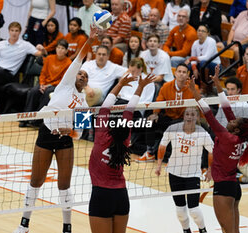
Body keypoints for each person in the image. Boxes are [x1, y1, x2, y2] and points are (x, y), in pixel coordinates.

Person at [14, 26, 98, 233]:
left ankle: (67, 227)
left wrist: (66, 131)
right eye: (79, 73)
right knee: (36, 181)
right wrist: (92, 38)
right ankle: (24, 224)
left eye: (85, 75)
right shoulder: (65, 84)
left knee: (64, 185)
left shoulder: (84, 106)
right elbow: (79, 58)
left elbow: (79, 133)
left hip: (64, 141)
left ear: (87, 81)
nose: (81, 75)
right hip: (45, 133)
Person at [188, 65, 248, 233]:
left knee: (229, 231)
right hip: (233, 187)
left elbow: (208, 113)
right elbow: (226, 107)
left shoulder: (227, 137)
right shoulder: (238, 136)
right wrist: (218, 83)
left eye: (234, 121)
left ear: (237, 128)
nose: (231, 120)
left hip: (224, 188)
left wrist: (194, 92)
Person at [88, 70, 155, 233]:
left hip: (101, 196)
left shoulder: (101, 136)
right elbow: (129, 111)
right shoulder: (124, 141)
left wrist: (119, 84)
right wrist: (140, 87)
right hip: (121, 196)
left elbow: (105, 107)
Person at [155, 107, 213, 233]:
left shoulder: (202, 133)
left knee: (194, 209)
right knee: (180, 210)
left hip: (193, 175)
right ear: (184, 116)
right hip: (174, 173)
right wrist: (159, 164)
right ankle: (186, 230)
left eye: (193, 114)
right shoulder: (173, 129)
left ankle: (203, 230)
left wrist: (209, 170)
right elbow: (162, 146)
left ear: (197, 117)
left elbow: (212, 152)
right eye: (187, 114)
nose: (190, 117)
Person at [19, 39, 72, 127]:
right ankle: (26, 118)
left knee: (47, 93)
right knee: (33, 91)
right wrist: (42, 84)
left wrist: (49, 85)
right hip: (44, 84)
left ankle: (38, 120)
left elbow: (63, 80)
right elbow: (43, 73)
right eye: (58, 47)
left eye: (62, 48)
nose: (60, 50)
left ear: (66, 51)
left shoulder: (68, 63)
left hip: (56, 86)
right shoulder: (49, 58)